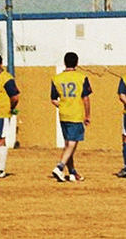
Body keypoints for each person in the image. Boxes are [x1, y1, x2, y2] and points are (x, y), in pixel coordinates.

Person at [50, 51, 92, 182]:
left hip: (63, 114)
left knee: (68, 144)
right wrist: (87, 115)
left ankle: (73, 172)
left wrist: (62, 105)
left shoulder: (57, 79)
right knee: (72, 143)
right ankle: (60, 166)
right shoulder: (81, 77)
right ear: (77, 63)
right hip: (76, 113)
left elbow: (53, 99)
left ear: (64, 63)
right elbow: (85, 98)